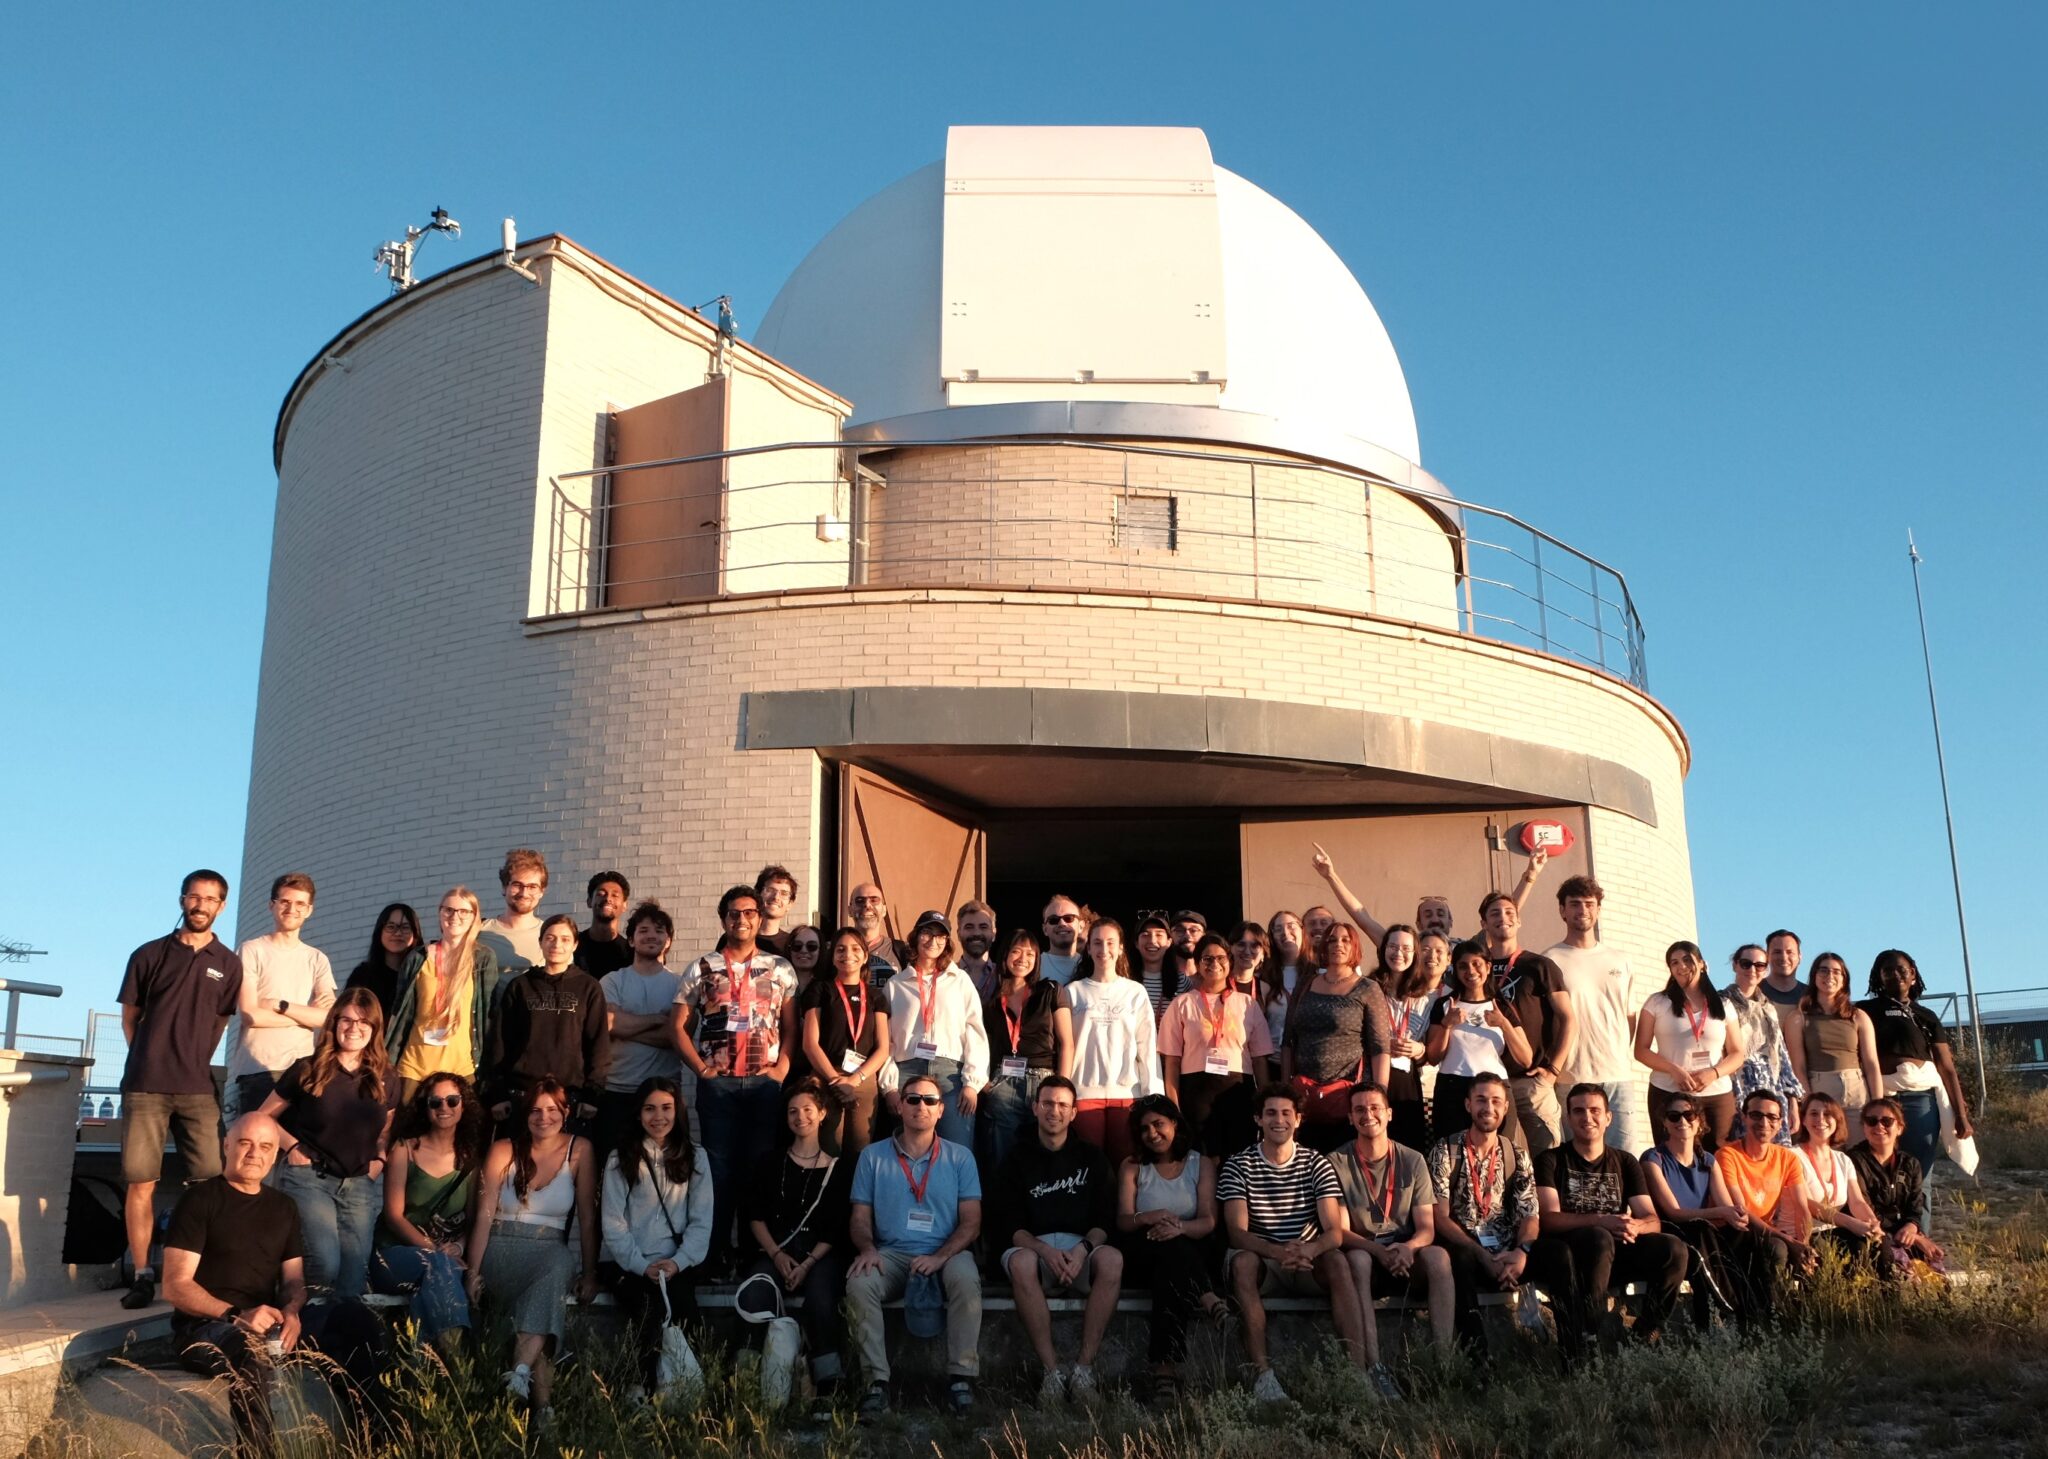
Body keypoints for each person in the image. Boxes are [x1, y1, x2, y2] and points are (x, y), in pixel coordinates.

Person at [163, 1113, 385, 1457]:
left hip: (270, 1323)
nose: (255, 1153)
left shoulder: (283, 1207)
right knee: (250, 1348)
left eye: (266, 1146)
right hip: (207, 1327)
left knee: (355, 1320)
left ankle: (374, 1442)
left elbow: (294, 1280)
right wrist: (236, 1315)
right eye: (245, 1143)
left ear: (274, 1155)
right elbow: (175, 1286)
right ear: (226, 1145)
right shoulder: (199, 1200)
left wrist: (293, 1311)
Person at [119, 869, 246, 1310]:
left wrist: (190, 1059)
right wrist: (148, 1057)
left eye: (210, 899)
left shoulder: (228, 963)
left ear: (222, 907)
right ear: (182, 900)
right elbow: (130, 1018)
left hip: (197, 1088)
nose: (200, 905)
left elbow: (220, 1022)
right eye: (194, 897)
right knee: (141, 1182)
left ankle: (199, 1274)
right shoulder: (149, 954)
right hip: (146, 1087)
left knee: (210, 1183)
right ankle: (142, 1274)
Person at [673, 885, 798, 1272]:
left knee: (758, 1169)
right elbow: (677, 1027)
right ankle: (713, 1255)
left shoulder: (780, 968)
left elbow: (791, 1027)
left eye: (748, 912)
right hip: (719, 1086)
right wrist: (701, 1070)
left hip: (763, 1085)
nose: (741, 919)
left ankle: (753, 1254)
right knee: (718, 1171)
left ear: (759, 918)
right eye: (733, 913)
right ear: (723, 919)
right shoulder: (702, 967)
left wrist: (781, 1070)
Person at [1218, 1084, 1368, 1402]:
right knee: (1241, 1262)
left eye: (1287, 1113)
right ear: (1258, 1119)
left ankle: (1356, 1374)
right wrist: (1278, 1251)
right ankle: (1263, 1377)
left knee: (1337, 1260)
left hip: (1307, 1261)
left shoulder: (1316, 1163)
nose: (1279, 1120)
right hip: (1266, 1261)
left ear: (1298, 1120)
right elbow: (1237, 1233)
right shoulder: (1237, 1165)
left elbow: (1334, 1231)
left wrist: (1310, 1249)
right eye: (1271, 1113)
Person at [847, 1072, 984, 1417]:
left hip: (946, 1251)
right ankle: (876, 1384)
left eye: (930, 1100)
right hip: (891, 1253)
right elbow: (860, 1218)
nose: (921, 1106)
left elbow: (971, 1222)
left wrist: (939, 1257)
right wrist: (867, 1249)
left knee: (966, 1278)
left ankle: (961, 1379)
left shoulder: (960, 1157)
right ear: (900, 1107)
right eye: (912, 1099)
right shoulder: (872, 1156)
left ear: (941, 1110)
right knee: (860, 1283)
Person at [466, 1078, 599, 1413]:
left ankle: (519, 1376)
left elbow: (587, 1218)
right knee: (547, 1301)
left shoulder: (580, 1149)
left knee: (557, 1266)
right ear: (525, 1114)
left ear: (565, 1113)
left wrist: (590, 1273)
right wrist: (472, 1271)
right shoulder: (503, 1149)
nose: (544, 1117)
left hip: (549, 1248)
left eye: (552, 1110)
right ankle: (543, 1410)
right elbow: (483, 1215)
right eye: (536, 1110)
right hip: (501, 1246)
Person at [990, 1075, 1123, 1406]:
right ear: (1035, 1108)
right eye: (1047, 1103)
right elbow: (1011, 1227)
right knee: (1020, 1262)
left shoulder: (1093, 1158)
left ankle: (1083, 1372)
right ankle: (1051, 1373)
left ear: (1074, 1113)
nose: (1055, 1111)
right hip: (1035, 1253)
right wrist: (1045, 1251)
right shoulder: (1015, 1159)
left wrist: (1082, 1250)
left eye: (1063, 1105)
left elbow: (1104, 1222)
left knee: (1113, 1259)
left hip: (1081, 1253)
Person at [1528, 1085, 1687, 1358]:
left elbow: (1652, 1219)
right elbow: (1550, 1220)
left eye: (1595, 1111)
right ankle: (1590, 1334)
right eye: (1579, 1111)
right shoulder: (1551, 1160)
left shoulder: (1625, 1161)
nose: (1587, 1117)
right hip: (1576, 1254)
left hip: (1618, 1252)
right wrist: (1602, 1220)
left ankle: (1646, 1333)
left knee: (1674, 1249)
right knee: (1598, 1237)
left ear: (1608, 1117)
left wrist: (1636, 1225)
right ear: (1568, 1118)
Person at [257, 990, 396, 1298]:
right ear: (334, 1023)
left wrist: (380, 1159)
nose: (354, 1028)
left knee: (353, 1276)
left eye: (364, 1022)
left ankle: (335, 1331)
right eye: (346, 1019)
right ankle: (300, 1324)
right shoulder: (308, 1069)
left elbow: (386, 1128)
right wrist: (292, 1147)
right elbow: (263, 1117)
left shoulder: (386, 1076)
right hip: (310, 1179)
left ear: (374, 1028)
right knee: (324, 1264)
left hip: (359, 1184)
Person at [739, 1078, 855, 1404]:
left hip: (820, 1255)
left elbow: (836, 1227)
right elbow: (755, 1215)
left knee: (820, 1298)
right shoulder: (769, 1162)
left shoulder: (838, 1168)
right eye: (793, 1111)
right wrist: (776, 1255)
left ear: (822, 1114)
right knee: (756, 1289)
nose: (800, 1117)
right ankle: (745, 1382)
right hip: (777, 1250)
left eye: (807, 1109)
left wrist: (807, 1264)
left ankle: (828, 1384)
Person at [1330, 1083, 1451, 1390]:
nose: (1368, 1115)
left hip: (1405, 1257)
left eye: (1375, 1108)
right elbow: (1340, 1231)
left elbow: (1426, 1227)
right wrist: (1378, 1251)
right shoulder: (1336, 1161)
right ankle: (1375, 1367)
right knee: (1357, 1260)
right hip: (1366, 1254)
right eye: (1359, 1109)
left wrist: (1409, 1247)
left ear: (1389, 1114)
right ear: (1350, 1118)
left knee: (1438, 1256)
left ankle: (1444, 1364)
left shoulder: (1413, 1159)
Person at [601, 1076, 713, 1400]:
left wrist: (678, 1262)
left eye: (666, 1108)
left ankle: (692, 1394)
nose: (659, 1116)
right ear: (638, 1114)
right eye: (650, 1109)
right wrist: (640, 1265)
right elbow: (613, 1222)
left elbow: (701, 1222)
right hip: (631, 1264)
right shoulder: (620, 1158)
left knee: (686, 1312)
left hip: (675, 1263)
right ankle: (641, 1391)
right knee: (649, 1310)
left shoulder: (696, 1157)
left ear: (678, 1111)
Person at [1115, 1094, 1226, 1406]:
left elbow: (1208, 1221)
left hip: (1189, 1248)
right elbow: (1123, 1221)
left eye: (1158, 1124)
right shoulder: (1132, 1166)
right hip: (1143, 1250)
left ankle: (1164, 1373)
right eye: (1144, 1128)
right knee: (1168, 1249)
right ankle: (1207, 1297)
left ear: (1175, 1124)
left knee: (1171, 1266)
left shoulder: (1200, 1164)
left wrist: (1179, 1228)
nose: (1152, 1133)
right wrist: (1150, 1217)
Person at [1425, 1072, 1540, 1353]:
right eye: (1481, 1100)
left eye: (1496, 1101)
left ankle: (1577, 1353)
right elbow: (1439, 1216)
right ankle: (1478, 1357)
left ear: (1506, 1107)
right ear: (1468, 1105)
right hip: (1467, 1248)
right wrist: (1482, 1255)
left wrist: (1521, 1252)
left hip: (1509, 1252)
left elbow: (1530, 1213)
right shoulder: (1445, 1150)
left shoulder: (1516, 1154)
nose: (1488, 1108)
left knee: (1559, 1255)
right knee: (1459, 1259)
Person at [373, 1072, 486, 1349]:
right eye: (435, 1102)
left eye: (452, 1100)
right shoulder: (405, 1149)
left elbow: (474, 1219)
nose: (444, 1107)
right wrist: (435, 1250)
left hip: (446, 1259)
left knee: (442, 1272)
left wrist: (459, 1247)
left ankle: (423, 1359)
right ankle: (455, 1356)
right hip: (394, 1254)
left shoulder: (471, 1158)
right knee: (439, 1266)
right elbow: (394, 1216)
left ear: (464, 1105)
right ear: (425, 1107)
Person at [1638, 1093, 1767, 1327]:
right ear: (1664, 1122)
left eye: (1689, 1115)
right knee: (1701, 1230)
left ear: (1699, 1121)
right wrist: (1721, 1213)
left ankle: (1760, 1312)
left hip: (1702, 1229)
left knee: (1745, 1236)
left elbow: (1725, 1207)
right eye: (1674, 1116)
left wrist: (1736, 1217)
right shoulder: (1653, 1159)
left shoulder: (1707, 1160)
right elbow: (1674, 1212)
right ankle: (1729, 1308)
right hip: (1673, 1231)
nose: (1682, 1121)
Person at [1857, 949, 1974, 1189]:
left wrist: (1961, 1116)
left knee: (1918, 1176)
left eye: (1901, 969)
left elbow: (1946, 1067)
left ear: (1912, 974)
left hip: (1921, 1100)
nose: (1895, 974)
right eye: (1887, 970)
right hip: (1881, 1098)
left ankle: (1918, 1215)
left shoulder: (1927, 1016)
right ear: (1879, 976)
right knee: (1879, 1172)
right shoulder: (1863, 1011)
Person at [228, 873, 338, 1124]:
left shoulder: (316, 959)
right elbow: (251, 1015)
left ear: (309, 910)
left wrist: (280, 1006)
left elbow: (329, 1017)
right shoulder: (251, 950)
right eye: (285, 902)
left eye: (300, 904)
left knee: (296, 1146)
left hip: (302, 1069)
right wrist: (305, 1016)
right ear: (272, 905)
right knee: (256, 1143)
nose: (292, 909)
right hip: (258, 1068)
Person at [485, 913, 610, 1131]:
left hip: (570, 1096)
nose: (556, 944)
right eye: (550, 938)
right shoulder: (520, 986)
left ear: (575, 945)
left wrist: (593, 1094)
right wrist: (497, 1093)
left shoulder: (588, 987)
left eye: (565, 939)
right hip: (522, 1093)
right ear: (541, 942)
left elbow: (598, 1044)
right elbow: (500, 1042)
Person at [1544, 876, 1641, 1153]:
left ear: (1598, 909)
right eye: (1575, 904)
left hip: (1617, 1075)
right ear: (1562, 910)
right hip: (1570, 1077)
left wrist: (1615, 1051)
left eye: (1589, 904)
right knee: (1575, 1162)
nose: (1583, 910)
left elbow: (1629, 1017)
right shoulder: (1549, 960)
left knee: (1624, 1159)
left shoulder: (1621, 960)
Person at [879, 910, 989, 1150]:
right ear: (916, 937)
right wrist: (890, 1087)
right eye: (927, 933)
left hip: (951, 1076)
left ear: (947, 942)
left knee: (956, 1148)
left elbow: (974, 1032)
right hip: (907, 1073)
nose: (933, 941)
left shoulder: (960, 980)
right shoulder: (896, 984)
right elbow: (885, 1040)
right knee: (908, 1149)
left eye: (940, 936)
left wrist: (972, 1083)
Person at [1159, 932, 1274, 1154]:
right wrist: (1173, 1107)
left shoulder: (1248, 1004)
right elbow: (1172, 1062)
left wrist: (1266, 1102)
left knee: (1239, 1156)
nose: (1214, 964)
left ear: (1230, 962)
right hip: (1195, 1092)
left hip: (1238, 1090)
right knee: (1201, 1158)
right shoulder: (1181, 1004)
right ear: (1197, 964)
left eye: (1221, 958)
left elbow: (1260, 1060)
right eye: (1207, 958)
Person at [1311, 841, 1548, 947]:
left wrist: (1530, 875)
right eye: (1428, 914)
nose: (1435, 918)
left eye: (1441, 914)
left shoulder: (1466, 948)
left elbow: (1505, 914)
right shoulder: (1404, 947)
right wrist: (1331, 876)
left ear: (1451, 921)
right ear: (1418, 923)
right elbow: (1362, 917)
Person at [1282, 923, 1392, 1151]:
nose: (1337, 945)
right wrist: (1285, 1092)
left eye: (1345, 940)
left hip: (1348, 1098)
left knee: (1345, 1160)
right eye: (1332, 940)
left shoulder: (1368, 988)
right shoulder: (1306, 983)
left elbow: (1380, 1047)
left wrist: (1379, 1096)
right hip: (1304, 1097)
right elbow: (1288, 1040)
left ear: (1355, 947)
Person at [1480, 891, 1573, 1156]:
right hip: (1491, 1081)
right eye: (1495, 913)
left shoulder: (1540, 965)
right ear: (1484, 923)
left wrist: (1553, 1070)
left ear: (1519, 921)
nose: (1503, 918)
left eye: (1509, 912)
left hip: (1532, 1080)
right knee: (1494, 1158)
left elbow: (1568, 1018)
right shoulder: (1476, 967)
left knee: (1548, 1157)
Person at [385, 887, 499, 1104]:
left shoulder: (482, 958)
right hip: (414, 1067)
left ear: (474, 916)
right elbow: (400, 1013)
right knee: (408, 1124)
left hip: (462, 1068)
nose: (454, 916)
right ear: (440, 913)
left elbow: (488, 1016)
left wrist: (489, 1071)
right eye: (448, 910)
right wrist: (388, 1061)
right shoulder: (418, 957)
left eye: (463, 911)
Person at [1715, 1090, 1824, 1312]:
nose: (1764, 1123)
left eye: (1772, 1117)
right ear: (1743, 1117)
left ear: (1780, 1122)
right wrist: (1790, 1242)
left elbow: (1802, 1207)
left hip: (1766, 1229)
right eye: (1756, 1115)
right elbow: (1741, 1210)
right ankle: (1773, 1315)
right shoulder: (1727, 1155)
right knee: (1778, 1248)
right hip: (1734, 1230)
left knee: (1818, 1248)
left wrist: (1803, 1243)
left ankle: (1811, 1314)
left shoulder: (1787, 1158)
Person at [977, 929, 1074, 1177]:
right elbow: (981, 1045)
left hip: (1044, 1082)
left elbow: (1066, 1043)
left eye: (1030, 954)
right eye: (1016, 951)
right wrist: (986, 1084)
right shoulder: (991, 1000)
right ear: (1005, 955)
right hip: (1003, 1084)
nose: (1023, 959)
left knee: (1046, 1157)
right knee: (1002, 1161)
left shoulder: (1050, 989)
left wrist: (1062, 1086)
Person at [1066, 917, 1159, 1168]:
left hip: (1127, 1096)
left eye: (1110, 942)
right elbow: (1065, 1046)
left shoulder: (1135, 992)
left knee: (1126, 1168)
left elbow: (1147, 1046)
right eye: (1097, 943)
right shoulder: (1072, 991)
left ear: (1120, 948)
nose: (1103, 949)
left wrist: (1152, 1095)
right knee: (1087, 1169)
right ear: (1088, 948)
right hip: (1083, 1094)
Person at [1634, 941, 1746, 1148]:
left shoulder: (1723, 1004)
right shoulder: (1657, 1002)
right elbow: (1641, 1050)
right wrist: (1673, 1070)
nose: (1681, 966)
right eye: (1674, 962)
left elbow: (1738, 1053)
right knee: (1672, 1155)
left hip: (1716, 1094)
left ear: (1702, 964)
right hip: (1668, 1090)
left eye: (1687, 960)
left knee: (1719, 1156)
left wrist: (1713, 1073)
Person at [598, 901, 685, 1156]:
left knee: (665, 1166)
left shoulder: (680, 984)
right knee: (614, 1163)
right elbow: (608, 1024)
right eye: (643, 930)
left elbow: (677, 1037)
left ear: (668, 941)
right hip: (618, 1089)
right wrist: (659, 1019)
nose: (651, 936)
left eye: (659, 931)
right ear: (631, 940)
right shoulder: (613, 980)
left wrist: (625, 1023)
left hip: (664, 1093)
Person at [1424, 941, 1531, 1144]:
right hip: (1453, 1088)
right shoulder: (1444, 1005)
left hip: (1495, 1088)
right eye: (1463, 966)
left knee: (1499, 1150)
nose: (1471, 971)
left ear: (1488, 967)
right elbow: (1433, 1057)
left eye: (1476, 964)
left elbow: (1525, 1059)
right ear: (1455, 970)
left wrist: (1503, 1024)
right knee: (1452, 1152)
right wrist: (1447, 1025)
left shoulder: (1501, 1007)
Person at [800, 928, 891, 1160]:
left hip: (863, 1079)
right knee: (828, 1148)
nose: (847, 954)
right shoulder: (820, 990)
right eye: (840, 949)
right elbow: (810, 1043)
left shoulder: (876, 996)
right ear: (832, 957)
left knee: (860, 1152)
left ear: (865, 956)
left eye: (855, 949)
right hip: (826, 1077)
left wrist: (854, 1080)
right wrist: (835, 1080)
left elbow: (883, 1048)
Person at [1849, 1097, 1949, 1275]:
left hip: (1905, 1234)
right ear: (1864, 1127)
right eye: (1871, 1121)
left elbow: (1915, 1207)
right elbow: (1864, 1208)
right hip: (1870, 1233)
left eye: (1887, 1121)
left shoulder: (1910, 1164)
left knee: (1934, 1267)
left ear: (1900, 1128)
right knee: (1904, 1273)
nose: (1879, 1126)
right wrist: (1914, 1238)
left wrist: (1912, 1227)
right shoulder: (1853, 1161)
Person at [1789, 952, 1883, 1132]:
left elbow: (1871, 1063)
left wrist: (1878, 1104)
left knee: (1860, 1146)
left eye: (1836, 971)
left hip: (1857, 1091)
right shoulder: (1798, 1017)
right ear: (1814, 975)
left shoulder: (1858, 1016)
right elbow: (1798, 1066)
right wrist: (1809, 1102)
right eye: (1823, 970)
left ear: (1844, 979)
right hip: (1820, 1089)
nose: (1829, 976)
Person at [1724, 944, 1806, 1146]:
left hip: (1771, 1091)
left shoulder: (1768, 1009)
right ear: (1735, 965)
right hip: (1736, 1089)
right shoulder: (1721, 1003)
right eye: (1746, 964)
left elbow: (1781, 1056)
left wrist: (1792, 1100)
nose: (1753, 970)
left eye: (1760, 965)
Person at [1793, 1092, 1883, 1265]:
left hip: (1834, 1230)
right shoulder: (1792, 1156)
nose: (1821, 1119)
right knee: (1829, 1255)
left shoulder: (1843, 1159)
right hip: (1804, 1232)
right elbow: (1807, 1204)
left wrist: (1872, 1223)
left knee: (1876, 1246)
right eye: (1814, 1113)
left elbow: (1857, 1202)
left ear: (1837, 1121)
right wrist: (1851, 1223)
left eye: (1827, 1114)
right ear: (1803, 1120)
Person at [1383, 927, 1448, 1151]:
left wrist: (1419, 1049)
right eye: (1393, 947)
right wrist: (1382, 1044)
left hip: (1408, 1078)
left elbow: (1429, 1052)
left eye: (1406, 948)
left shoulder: (1425, 998)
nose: (1399, 953)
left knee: (1408, 1145)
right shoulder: (1370, 987)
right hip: (1375, 1073)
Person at [478, 848, 550, 1001]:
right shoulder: (479, 931)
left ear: (542, 891)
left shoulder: (551, 936)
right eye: (517, 885)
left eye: (532, 887)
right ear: (504, 887)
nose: (524, 893)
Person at [345, 903, 422, 1017]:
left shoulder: (422, 974)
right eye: (391, 927)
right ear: (380, 931)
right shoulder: (362, 975)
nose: (398, 933)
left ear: (415, 934)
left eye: (405, 927)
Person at [846, 882, 912, 992]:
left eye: (874, 900)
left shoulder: (904, 951)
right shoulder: (835, 951)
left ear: (884, 910)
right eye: (860, 901)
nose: (867, 905)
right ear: (850, 910)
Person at [1226, 921, 1282, 1047]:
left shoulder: (1265, 989)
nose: (1247, 951)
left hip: (1256, 1056)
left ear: (1263, 954)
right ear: (1231, 949)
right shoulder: (1219, 984)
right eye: (1241, 944)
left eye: (1255, 946)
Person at [1266, 910, 1312, 1041]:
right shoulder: (1265, 976)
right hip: (1273, 1052)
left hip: (1308, 1051)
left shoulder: (1317, 974)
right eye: (1278, 929)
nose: (1285, 933)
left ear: (1302, 930)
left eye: (1291, 926)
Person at [579, 871, 634, 979]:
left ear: (624, 905)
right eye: (601, 894)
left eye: (615, 895)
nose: (608, 899)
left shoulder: (630, 954)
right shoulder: (572, 947)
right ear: (589, 901)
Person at [1133, 915, 1178, 1017]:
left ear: (1169, 942)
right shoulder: (1125, 979)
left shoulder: (1182, 982)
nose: (1152, 941)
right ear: (1136, 943)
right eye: (1145, 934)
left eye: (1159, 935)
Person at [1038, 894, 1087, 986]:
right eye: (1053, 920)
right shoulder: (1034, 966)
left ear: (1081, 926)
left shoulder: (1091, 966)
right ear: (1045, 929)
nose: (1062, 923)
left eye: (1069, 918)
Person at [955, 900, 1000, 998]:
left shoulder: (1003, 977)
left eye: (983, 927)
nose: (976, 933)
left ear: (994, 934)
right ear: (958, 934)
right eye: (969, 927)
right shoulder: (946, 976)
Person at [754, 864, 800, 957]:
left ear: (790, 904)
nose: (776, 897)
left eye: (784, 893)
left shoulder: (793, 946)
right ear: (757, 895)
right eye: (770, 890)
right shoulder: (736, 939)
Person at [1759, 929, 1806, 1012]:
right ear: (1767, 956)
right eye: (1777, 952)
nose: (1783, 958)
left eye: (1789, 952)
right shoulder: (1754, 992)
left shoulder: (1811, 996)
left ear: (1799, 957)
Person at [783, 923, 825, 992]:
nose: (804, 951)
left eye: (811, 946)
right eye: (797, 945)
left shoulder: (829, 987)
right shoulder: (777, 982)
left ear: (820, 950)